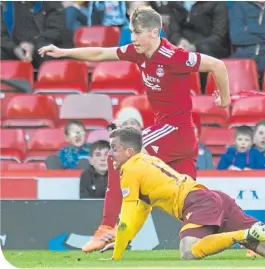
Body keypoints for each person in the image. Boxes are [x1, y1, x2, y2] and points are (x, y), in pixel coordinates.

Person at [39, 6, 231, 252]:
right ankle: (244, 234)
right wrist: (64, 51)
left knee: (116, 153)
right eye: (131, 32)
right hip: (177, 139)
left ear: (154, 32)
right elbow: (99, 53)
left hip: (175, 129)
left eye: (137, 33)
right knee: (189, 204)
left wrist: (224, 101)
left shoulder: (174, 56)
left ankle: (108, 227)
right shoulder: (137, 51)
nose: (132, 38)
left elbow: (218, 65)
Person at [101, 127, 265, 260]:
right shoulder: (143, 161)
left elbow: (127, 216)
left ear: (129, 150)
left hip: (197, 203)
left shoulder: (130, 169)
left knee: (189, 253)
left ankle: (242, 234)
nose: (109, 154)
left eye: (114, 148)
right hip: (213, 198)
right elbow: (139, 213)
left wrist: (117, 257)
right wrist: (124, 241)